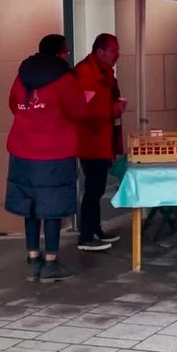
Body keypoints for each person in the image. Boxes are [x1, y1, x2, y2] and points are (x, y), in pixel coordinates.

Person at [6, 34, 89, 282]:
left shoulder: (22, 76)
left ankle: (33, 257)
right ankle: (51, 261)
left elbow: (13, 104)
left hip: (21, 151)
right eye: (66, 51)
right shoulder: (64, 79)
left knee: (30, 205)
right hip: (54, 152)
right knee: (52, 207)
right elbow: (79, 111)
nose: (68, 55)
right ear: (58, 54)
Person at [72, 33, 125, 252]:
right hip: (91, 140)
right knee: (93, 188)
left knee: (98, 186)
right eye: (113, 50)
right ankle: (86, 235)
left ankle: (96, 229)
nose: (117, 55)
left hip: (102, 137)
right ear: (100, 51)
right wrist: (114, 110)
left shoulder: (103, 73)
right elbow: (84, 110)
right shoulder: (86, 73)